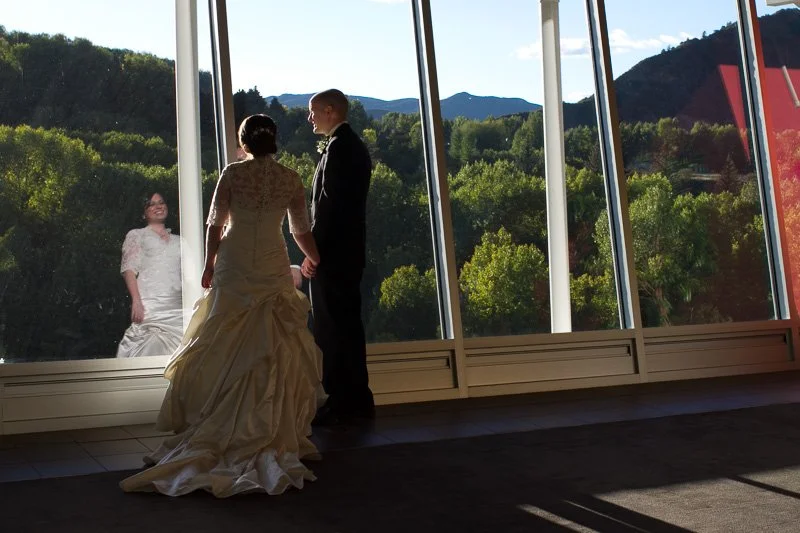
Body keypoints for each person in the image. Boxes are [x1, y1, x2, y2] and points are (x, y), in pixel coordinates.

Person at [120, 114, 323, 498]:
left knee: (224, 339)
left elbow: (216, 225)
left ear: (244, 142)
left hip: (236, 265)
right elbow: (299, 229)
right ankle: (268, 427)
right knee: (274, 345)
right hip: (271, 263)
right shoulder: (290, 178)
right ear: (274, 141)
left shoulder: (232, 174)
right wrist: (313, 258)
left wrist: (210, 264)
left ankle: (220, 423)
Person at [302, 89, 375, 426]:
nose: (309, 118)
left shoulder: (340, 149)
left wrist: (311, 253)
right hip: (348, 252)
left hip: (333, 255)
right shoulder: (351, 146)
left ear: (330, 111)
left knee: (332, 328)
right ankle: (356, 399)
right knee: (346, 326)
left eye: (312, 111)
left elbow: (328, 209)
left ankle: (342, 402)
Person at [115, 193, 183, 359]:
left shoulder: (180, 240)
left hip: (178, 306)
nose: (158, 206)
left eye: (161, 202)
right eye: (151, 204)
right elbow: (129, 269)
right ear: (143, 213)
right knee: (151, 345)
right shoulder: (137, 235)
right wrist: (136, 301)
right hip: (150, 305)